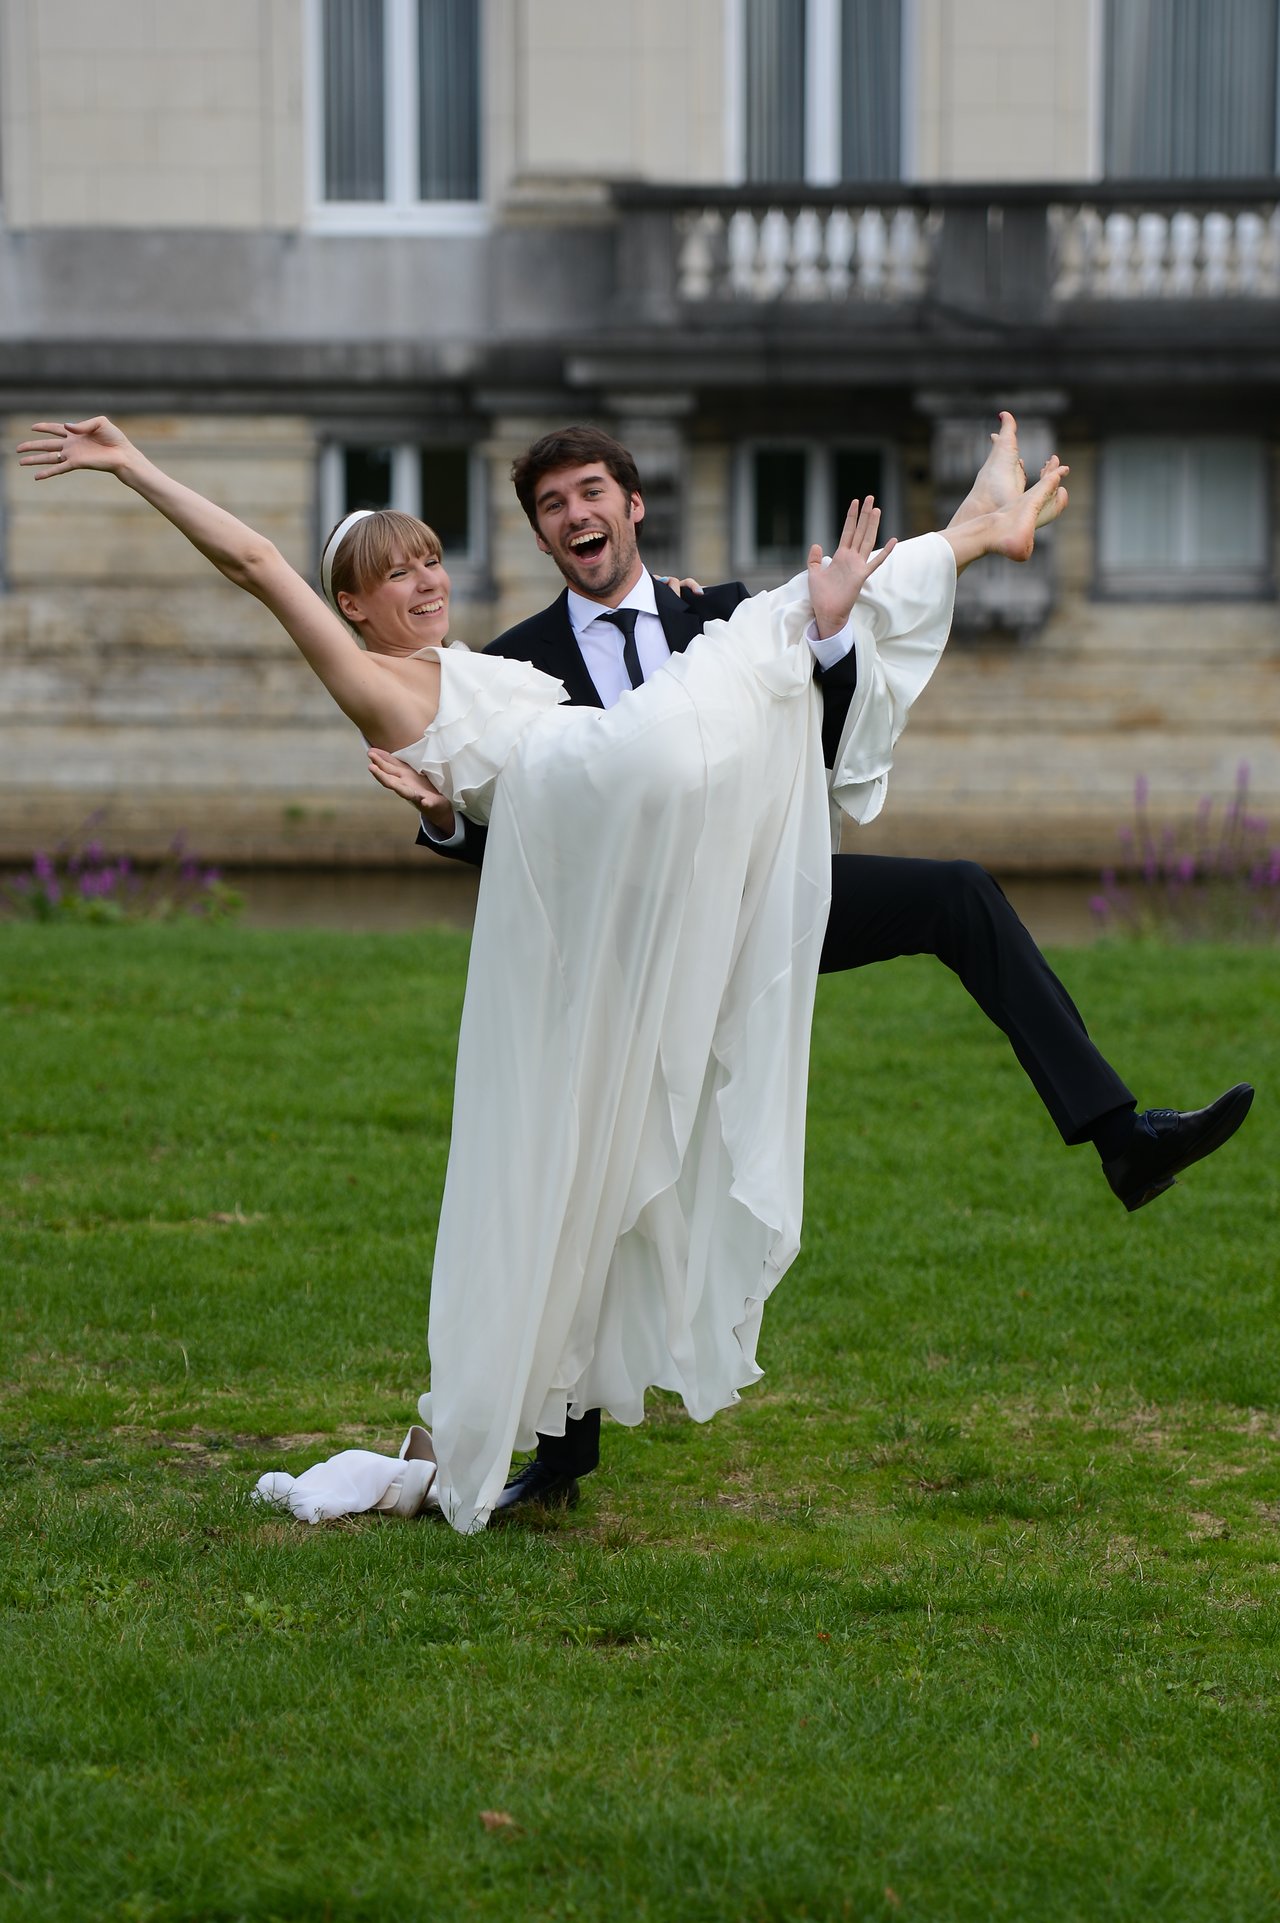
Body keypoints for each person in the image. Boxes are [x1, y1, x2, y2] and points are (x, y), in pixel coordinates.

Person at [17, 413, 1068, 1534]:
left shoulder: (474, 665)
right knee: (777, 623)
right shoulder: (377, 683)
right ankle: (971, 532)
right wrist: (136, 469)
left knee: (786, 619)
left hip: (639, 788)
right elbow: (256, 563)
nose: (421, 583)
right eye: (390, 576)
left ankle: (971, 529)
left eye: (428, 560)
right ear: (354, 611)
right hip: (628, 765)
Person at [369, 417, 1255, 1521]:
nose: (575, 515)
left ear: (632, 506)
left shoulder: (721, 611)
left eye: (591, 491)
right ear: (541, 534)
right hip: (637, 963)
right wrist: (452, 820)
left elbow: (831, 732)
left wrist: (834, 639)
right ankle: (561, 1454)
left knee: (957, 893)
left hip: (757, 905)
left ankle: (1122, 1140)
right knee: (601, 1176)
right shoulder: (513, 665)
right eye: (552, 506)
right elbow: (526, 849)